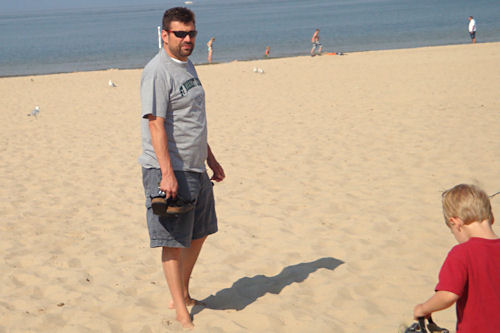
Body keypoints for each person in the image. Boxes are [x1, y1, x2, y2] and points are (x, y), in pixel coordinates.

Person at [138, 7, 225, 329]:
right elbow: (156, 124)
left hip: (195, 165)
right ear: (164, 35)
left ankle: (183, 294)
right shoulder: (157, 71)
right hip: (169, 169)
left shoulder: (187, 66)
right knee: (173, 241)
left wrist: (210, 157)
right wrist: (166, 173)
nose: (188, 39)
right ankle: (180, 312)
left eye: (192, 33)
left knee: (199, 234)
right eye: (180, 34)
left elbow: (193, 119)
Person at [413, 184, 500, 332]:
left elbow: (448, 295)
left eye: (453, 231)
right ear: (492, 218)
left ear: (456, 223)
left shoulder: (462, 253)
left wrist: (424, 308)